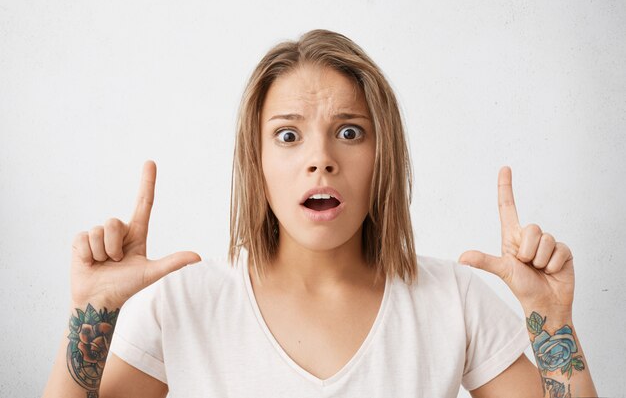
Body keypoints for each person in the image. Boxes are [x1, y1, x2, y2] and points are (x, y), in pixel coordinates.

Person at [42, 29, 598, 398]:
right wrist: (92, 310)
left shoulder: (455, 300)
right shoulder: (181, 305)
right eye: (288, 135)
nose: (321, 161)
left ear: (384, 157)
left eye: (349, 133)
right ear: (255, 163)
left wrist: (551, 319)